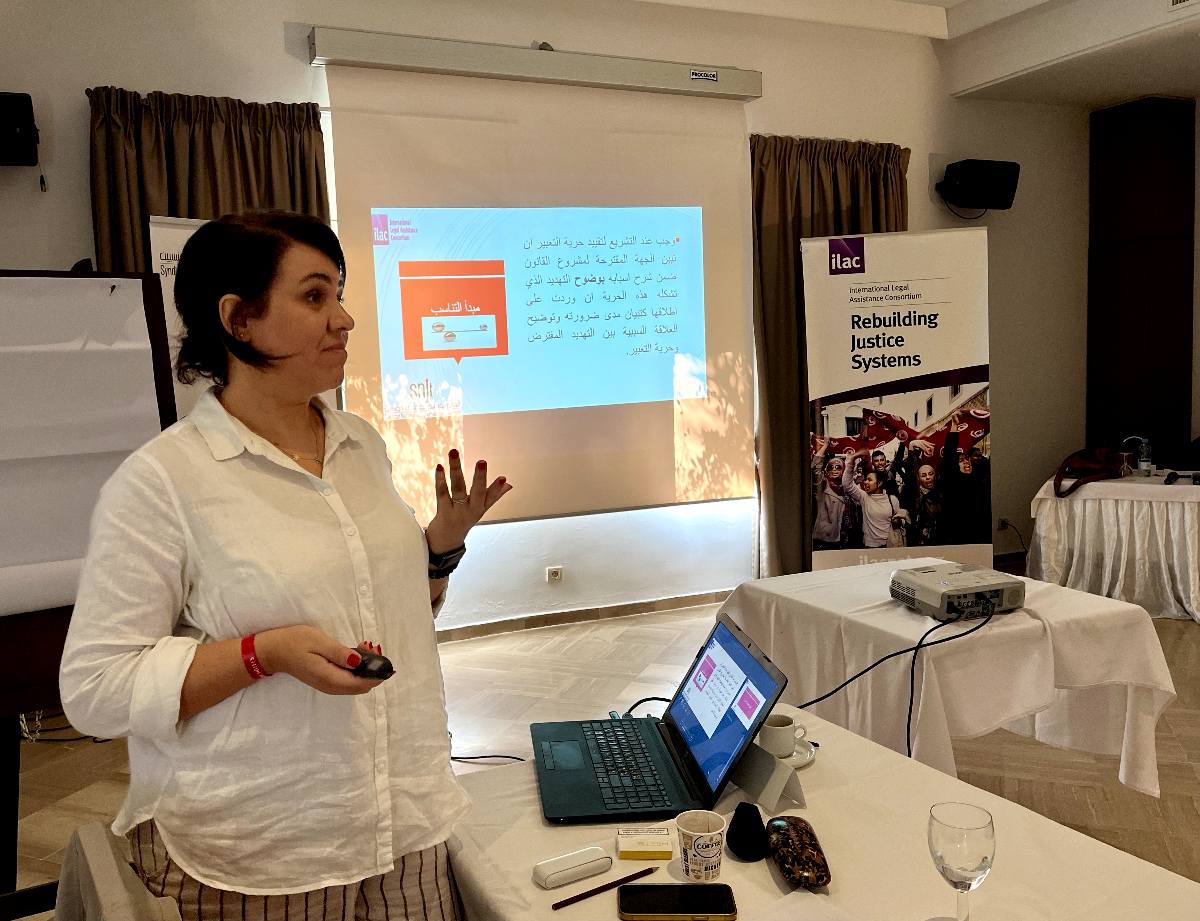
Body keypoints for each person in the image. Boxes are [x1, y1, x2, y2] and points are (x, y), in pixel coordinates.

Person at [59, 212, 512, 921]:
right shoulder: (162, 483)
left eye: (339, 294)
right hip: (263, 850)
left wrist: (438, 549)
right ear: (238, 319)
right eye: (314, 296)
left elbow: (378, 608)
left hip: (405, 818)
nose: (345, 319)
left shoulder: (360, 445)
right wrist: (262, 653)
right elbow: (94, 688)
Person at [842, 448, 908, 549]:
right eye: (865, 479)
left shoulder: (892, 499)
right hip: (871, 546)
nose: (865, 482)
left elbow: (901, 519)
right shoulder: (864, 497)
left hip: (890, 545)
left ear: (879, 483)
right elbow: (847, 484)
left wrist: (899, 521)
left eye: (869, 480)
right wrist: (851, 462)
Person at [811, 437, 861, 550]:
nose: (834, 470)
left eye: (838, 467)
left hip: (846, 538)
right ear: (827, 471)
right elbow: (815, 468)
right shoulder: (822, 486)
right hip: (826, 539)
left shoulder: (847, 487)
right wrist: (825, 446)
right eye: (830, 467)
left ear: (843, 471)